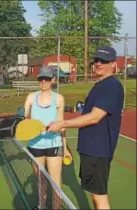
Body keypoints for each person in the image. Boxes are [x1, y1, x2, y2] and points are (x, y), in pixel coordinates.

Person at [48, 46, 124, 209]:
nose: (98, 64)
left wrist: (62, 124)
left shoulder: (111, 86)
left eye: (103, 61)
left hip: (98, 150)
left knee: (99, 197)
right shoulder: (100, 85)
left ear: (113, 64)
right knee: (96, 195)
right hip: (90, 150)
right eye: (96, 60)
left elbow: (95, 117)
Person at [23, 66, 72, 208]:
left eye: (46, 79)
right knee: (40, 180)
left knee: (55, 182)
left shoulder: (59, 99)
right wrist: (23, 119)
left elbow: (61, 125)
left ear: (53, 80)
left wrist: (65, 148)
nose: (43, 81)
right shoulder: (31, 97)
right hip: (35, 145)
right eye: (40, 79)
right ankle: (41, 205)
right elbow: (23, 116)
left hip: (54, 144)